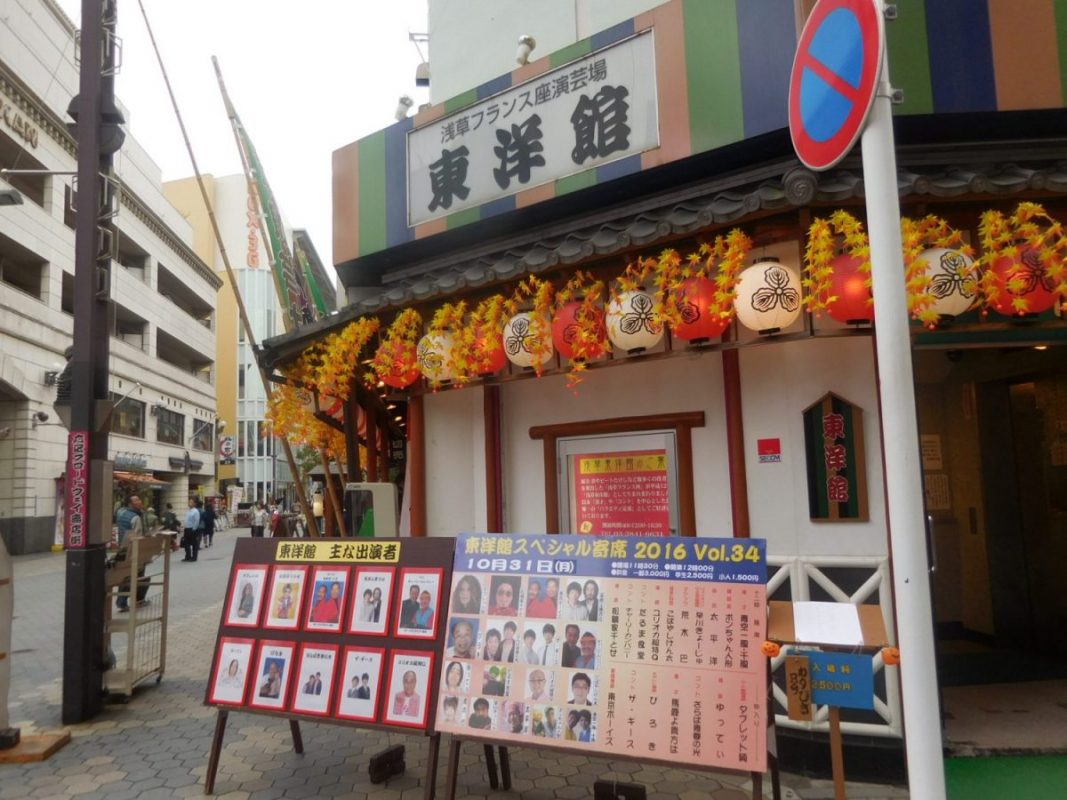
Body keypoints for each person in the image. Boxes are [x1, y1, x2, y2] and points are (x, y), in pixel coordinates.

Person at [113, 495, 146, 611]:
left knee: (126, 576)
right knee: (139, 576)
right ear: (130, 504)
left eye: (139, 499)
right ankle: (137, 600)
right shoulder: (135, 517)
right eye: (136, 500)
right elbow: (138, 536)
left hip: (122, 549)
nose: (139, 501)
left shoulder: (121, 513)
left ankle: (122, 602)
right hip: (134, 550)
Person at [182, 497, 200, 562]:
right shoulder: (188, 511)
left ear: (194, 504)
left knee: (194, 544)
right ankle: (188, 556)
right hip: (186, 529)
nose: (189, 503)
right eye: (189, 502)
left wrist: (193, 529)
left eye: (191, 502)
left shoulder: (195, 511)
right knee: (186, 544)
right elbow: (186, 520)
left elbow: (197, 521)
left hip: (192, 529)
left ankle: (194, 557)